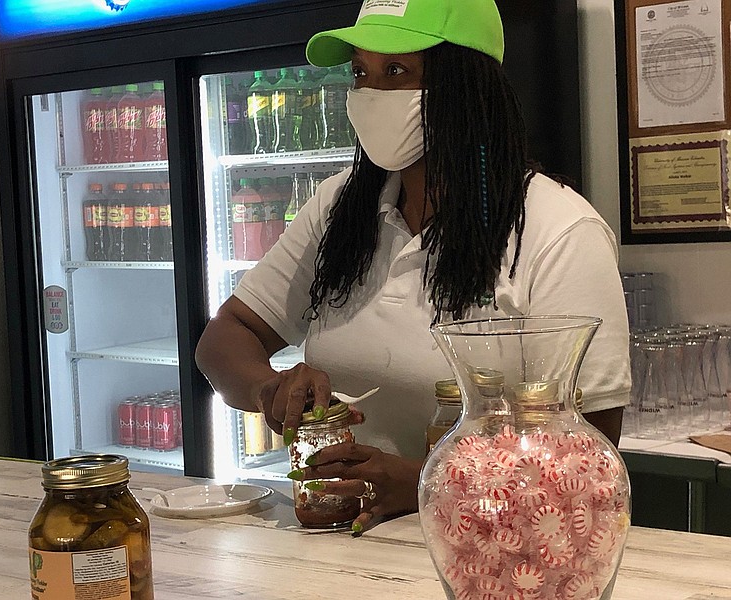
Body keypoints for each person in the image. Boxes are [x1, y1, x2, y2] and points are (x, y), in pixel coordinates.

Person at [196, 0, 631, 535]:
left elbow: (591, 459)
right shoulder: (340, 209)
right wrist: (270, 389)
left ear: (466, 86)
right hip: (338, 545)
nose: (370, 95)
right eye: (360, 72)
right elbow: (224, 338)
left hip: (494, 560)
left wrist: (431, 484)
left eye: (396, 72)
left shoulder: (557, 231)